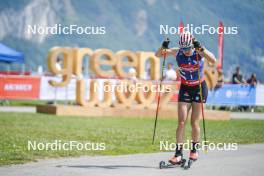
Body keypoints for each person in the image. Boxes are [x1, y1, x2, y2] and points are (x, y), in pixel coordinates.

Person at [155, 32, 216, 164]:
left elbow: (213, 60)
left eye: (188, 48)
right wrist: (163, 46)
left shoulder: (199, 51)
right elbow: (158, 55)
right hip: (185, 87)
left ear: (192, 46)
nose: (186, 51)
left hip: (199, 87)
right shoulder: (178, 52)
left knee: (194, 122)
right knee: (181, 122)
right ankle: (178, 154)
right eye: (183, 49)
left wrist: (201, 48)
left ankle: (194, 150)